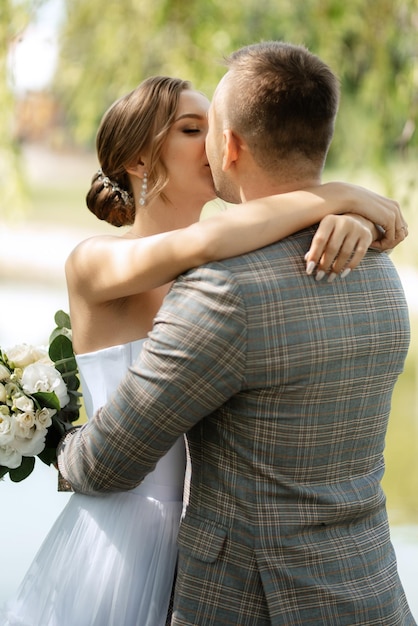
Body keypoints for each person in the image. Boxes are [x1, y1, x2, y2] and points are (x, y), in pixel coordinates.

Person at [2, 74, 405, 626]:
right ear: (141, 161)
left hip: (213, 548)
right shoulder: (94, 261)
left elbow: (250, 241)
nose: (216, 142)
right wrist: (340, 195)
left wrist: (348, 221)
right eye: (193, 129)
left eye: (213, 128)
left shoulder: (226, 265)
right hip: (122, 538)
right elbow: (206, 242)